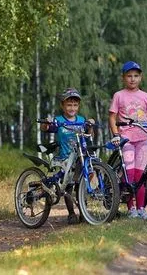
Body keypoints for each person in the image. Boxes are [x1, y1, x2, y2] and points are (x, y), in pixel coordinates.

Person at [109, 61, 147, 220]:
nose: (132, 79)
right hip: (126, 139)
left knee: (141, 175)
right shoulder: (119, 95)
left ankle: (141, 208)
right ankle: (131, 208)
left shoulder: (145, 96)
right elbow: (112, 117)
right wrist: (116, 134)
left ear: (140, 77)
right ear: (123, 78)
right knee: (130, 174)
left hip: (143, 139)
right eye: (129, 76)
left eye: (136, 76)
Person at [40, 87, 95, 224]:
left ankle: (84, 212)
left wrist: (90, 125)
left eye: (75, 105)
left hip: (79, 158)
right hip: (64, 158)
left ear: (78, 106)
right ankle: (71, 214)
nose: (72, 108)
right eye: (69, 105)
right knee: (68, 187)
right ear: (62, 105)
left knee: (82, 185)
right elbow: (45, 129)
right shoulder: (58, 120)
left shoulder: (81, 120)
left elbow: (89, 136)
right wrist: (47, 122)